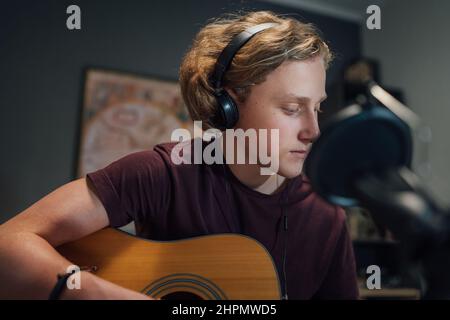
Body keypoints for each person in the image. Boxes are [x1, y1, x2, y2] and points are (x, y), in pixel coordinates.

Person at [0, 10, 359, 299]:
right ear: (229, 106)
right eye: (293, 108)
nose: (313, 130)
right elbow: (8, 245)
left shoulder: (327, 219)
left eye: (318, 108)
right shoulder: (162, 173)